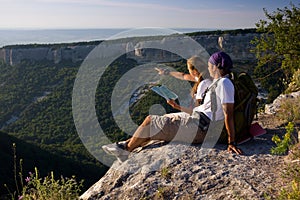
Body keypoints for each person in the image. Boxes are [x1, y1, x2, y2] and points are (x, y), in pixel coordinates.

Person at [102, 52, 243, 162]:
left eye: (209, 65)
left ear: (215, 66)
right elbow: (184, 76)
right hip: (198, 121)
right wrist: (167, 73)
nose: (207, 68)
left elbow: (228, 113)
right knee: (161, 120)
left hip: (199, 128)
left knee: (151, 120)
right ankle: (126, 144)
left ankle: (125, 150)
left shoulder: (224, 83)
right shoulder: (218, 81)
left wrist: (232, 142)